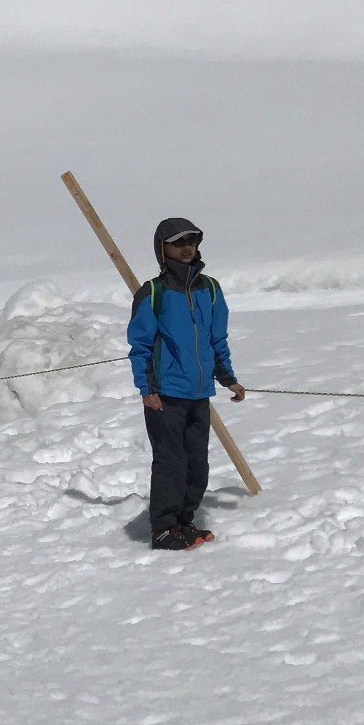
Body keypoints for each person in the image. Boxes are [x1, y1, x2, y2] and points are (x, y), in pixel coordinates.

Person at [127, 218, 245, 550]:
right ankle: (163, 528)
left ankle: (184, 520)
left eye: (192, 240)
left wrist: (229, 380)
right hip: (165, 395)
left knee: (197, 461)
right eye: (179, 242)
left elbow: (215, 339)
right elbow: (141, 346)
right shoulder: (154, 293)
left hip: (198, 393)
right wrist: (147, 389)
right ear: (162, 249)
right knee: (171, 461)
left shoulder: (209, 288)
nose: (187, 247)